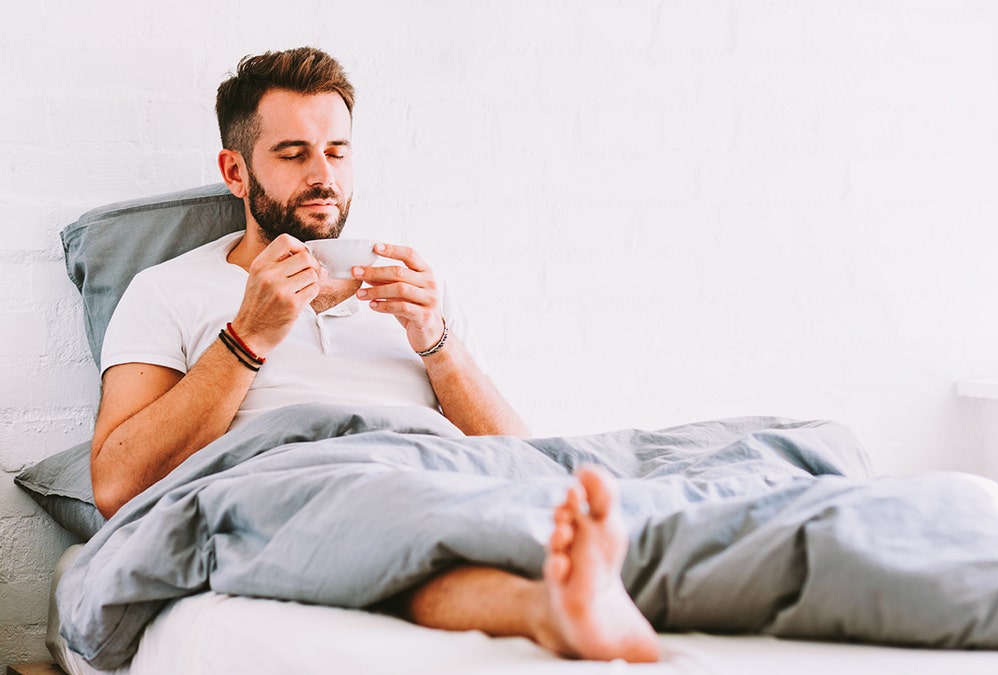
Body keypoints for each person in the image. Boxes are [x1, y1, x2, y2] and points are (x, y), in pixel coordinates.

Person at [89, 46, 660, 663]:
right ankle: (547, 605)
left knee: (651, 478)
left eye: (337, 152)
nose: (323, 176)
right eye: (293, 154)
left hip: (435, 475)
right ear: (235, 172)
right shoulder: (169, 290)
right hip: (294, 484)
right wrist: (246, 338)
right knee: (373, 513)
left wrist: (435, 340)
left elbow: (520, 457)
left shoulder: (406, 286)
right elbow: (118, 483)